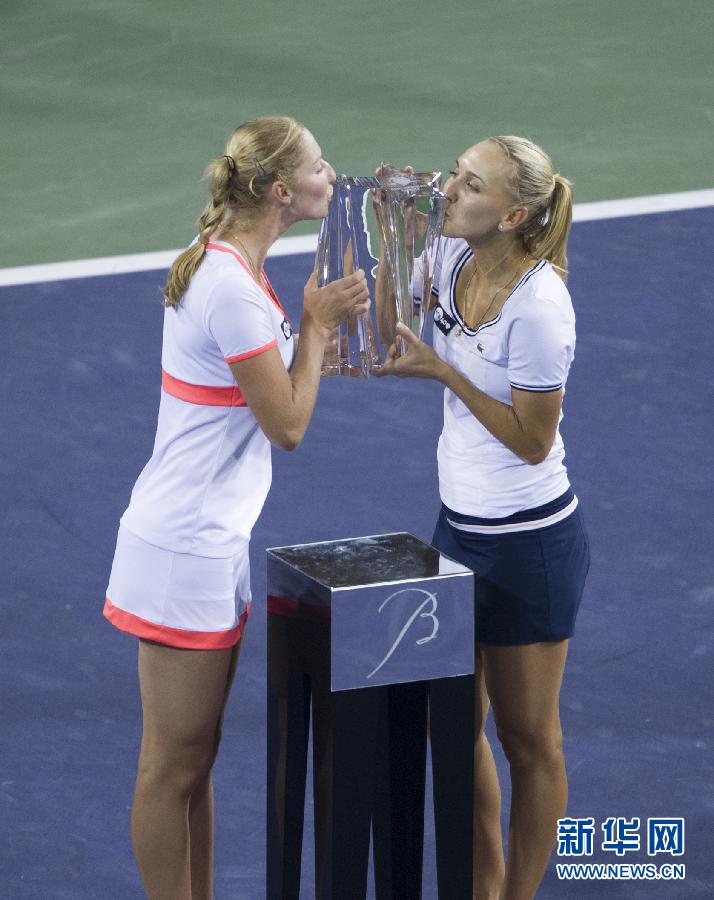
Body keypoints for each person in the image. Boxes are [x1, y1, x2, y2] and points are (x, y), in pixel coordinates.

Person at [103, 116, 369, 900]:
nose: (333, 175)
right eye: (321, 167)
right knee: (169, 767)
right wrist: (316, 330)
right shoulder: (233, 290)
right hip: (183, 551)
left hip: (202, 547)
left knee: (195, 762)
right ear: (283, 192)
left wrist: (313, 330)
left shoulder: (233, 268)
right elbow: (286, 425)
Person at [376, 137, 590, 899]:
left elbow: (533, 444)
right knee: (450, 728)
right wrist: (394, 244)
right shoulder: (447, 255)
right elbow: (385, 336)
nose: (450, 191)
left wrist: (444, 371)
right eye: (455, 176)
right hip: (457, 532)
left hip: (530, 545)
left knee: (529, 742)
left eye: (471, 185)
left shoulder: (539, 306)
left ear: (515, 214)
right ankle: (483, 884)